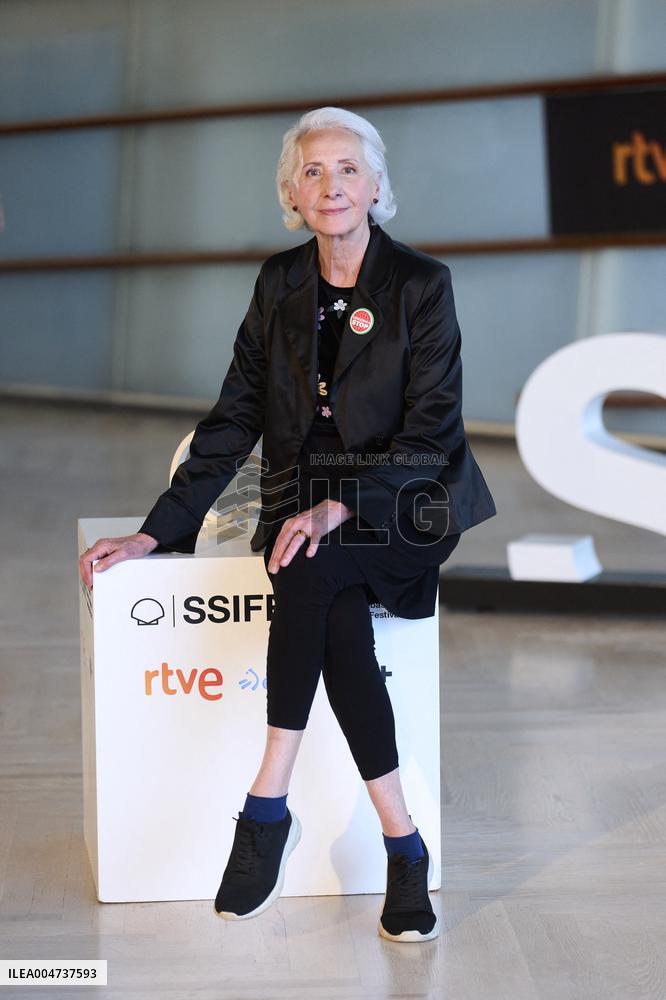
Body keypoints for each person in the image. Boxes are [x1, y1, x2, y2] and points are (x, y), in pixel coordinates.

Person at [79, 106, 497, 943]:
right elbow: (234, 415)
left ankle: (266, 804)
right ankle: (401, 844)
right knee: (319, 586)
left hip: (399, 496)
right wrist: (157, 531)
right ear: (292, 195)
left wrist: (345, 501)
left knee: (309, 565)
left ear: (376, 187)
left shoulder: (421, 284)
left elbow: (431, 433)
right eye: (313, 171)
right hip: (302, 494)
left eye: (348, 169)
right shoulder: (280, 283)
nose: (331, 185)